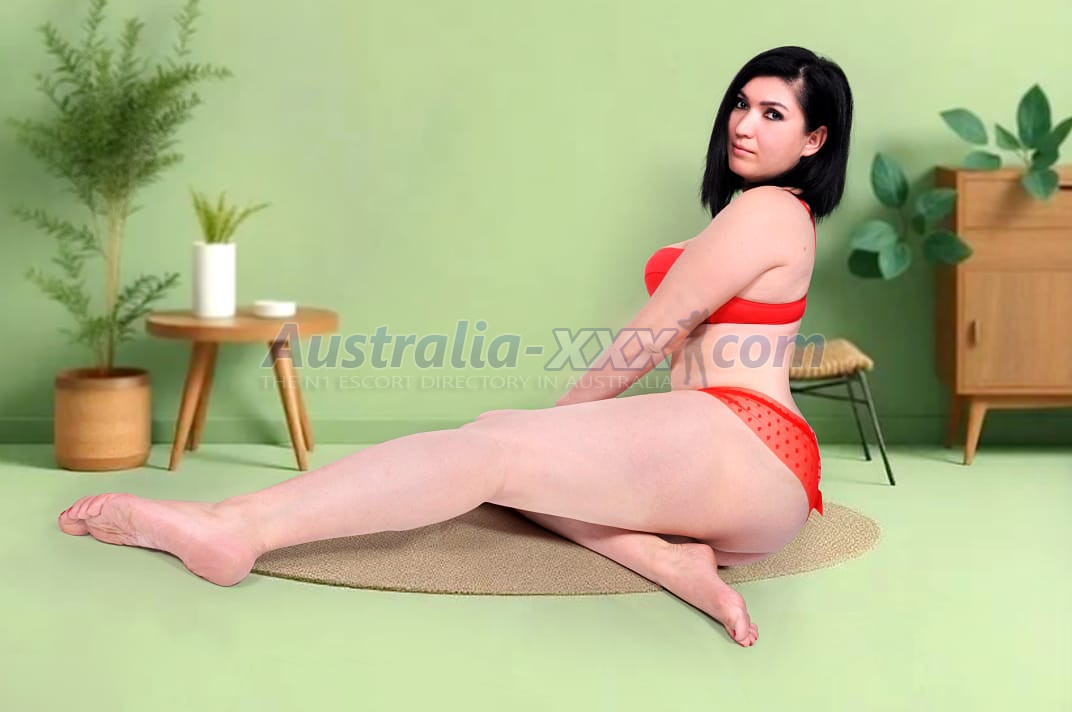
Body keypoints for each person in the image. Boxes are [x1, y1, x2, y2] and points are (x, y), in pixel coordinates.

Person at [57, 45, 853, 648]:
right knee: (501, 443)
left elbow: (658, 328)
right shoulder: (761, 214)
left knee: (497, 450)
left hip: (744, 439)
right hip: (741, 470)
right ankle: (665, 558)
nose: (743, 124)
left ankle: (238, 528)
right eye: (741, 104)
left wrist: (555, 423)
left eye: (772, 114)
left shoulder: (766, 211)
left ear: (815, 140)